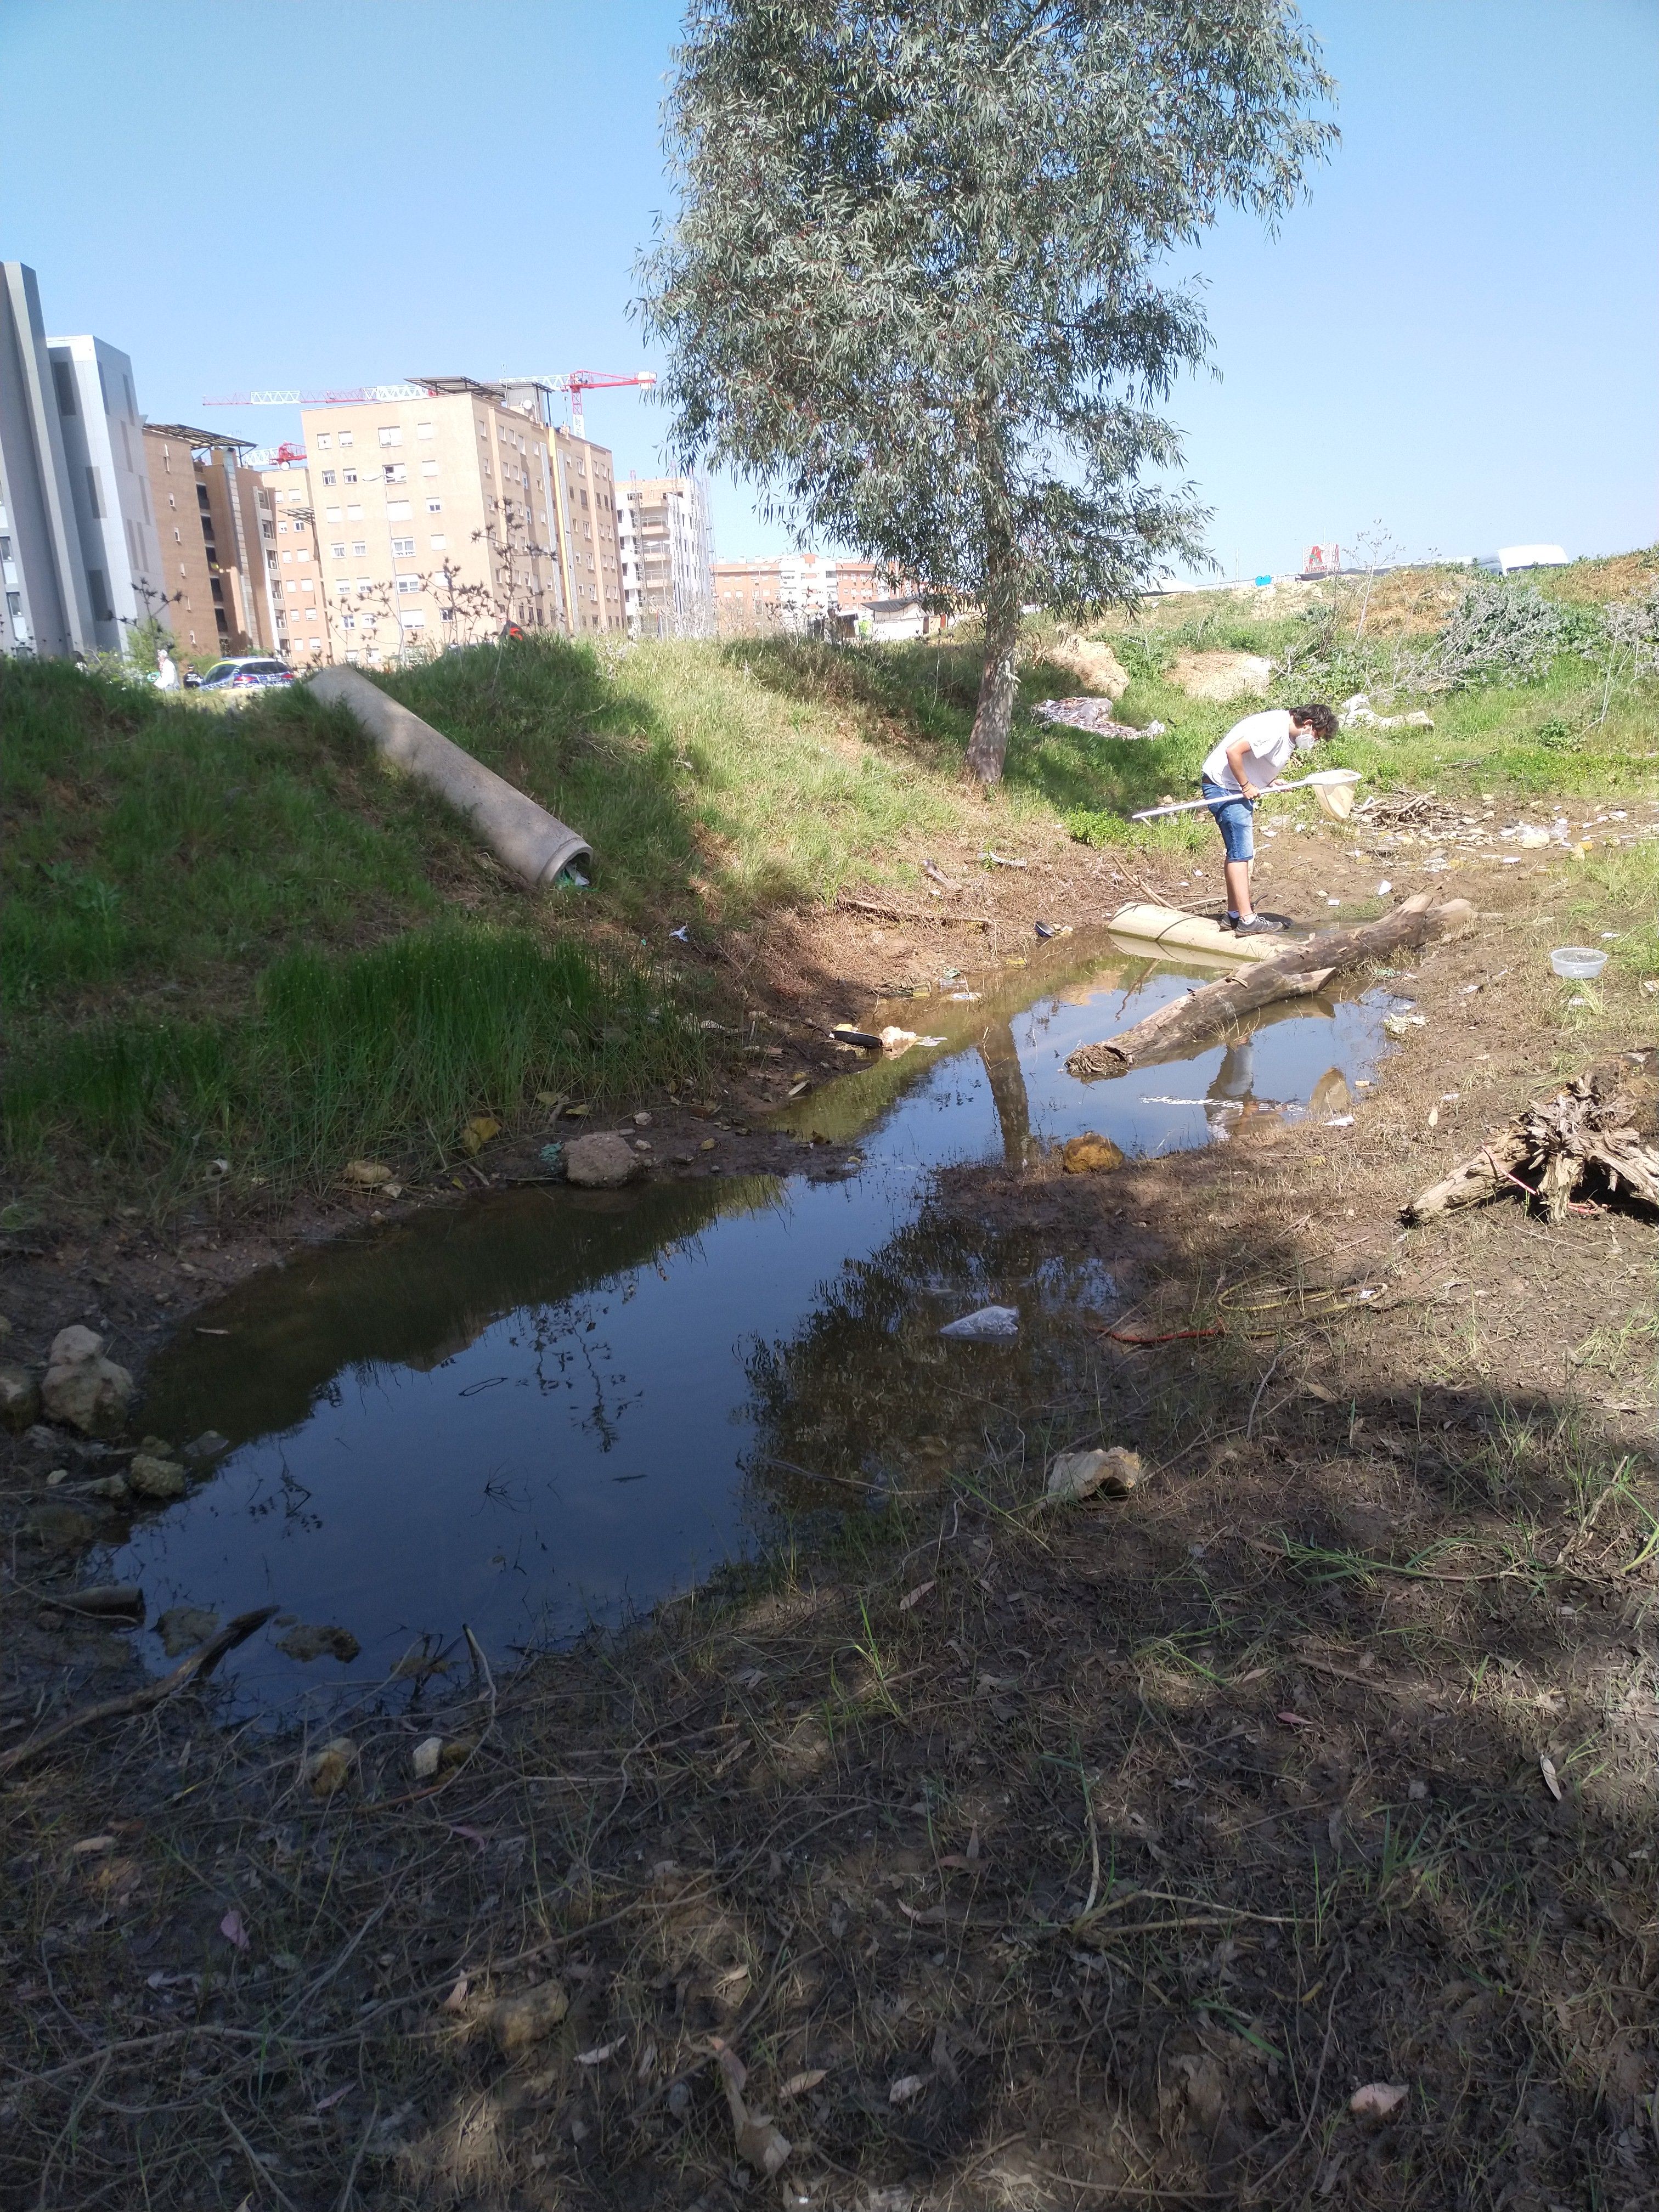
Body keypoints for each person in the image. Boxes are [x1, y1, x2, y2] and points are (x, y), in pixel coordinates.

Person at [1200, 702, 1337, 934]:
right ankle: (1247, 921)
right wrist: (1245, 785)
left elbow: (1256, 759)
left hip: (1233, 788)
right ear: (1308, 724)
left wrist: (1267, 780)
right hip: (1225, 789)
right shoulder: (1274, 730)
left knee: (1238, 852)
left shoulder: (1286, 729)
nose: (1315, 741)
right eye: (1317, 736)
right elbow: (1233, 752)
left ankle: (1233, 915)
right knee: (1241, 854)